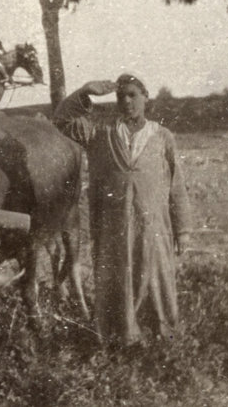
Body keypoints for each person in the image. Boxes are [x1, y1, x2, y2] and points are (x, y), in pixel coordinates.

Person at [53, 72, 192, 347]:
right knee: (118, 281)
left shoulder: (162, 136)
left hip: (155, 228)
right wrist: (83, 92)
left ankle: (162, 343)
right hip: (113, 229)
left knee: (156, 281)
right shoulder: (100, 133)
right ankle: (121, 343)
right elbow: (61, 121)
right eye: (121, 96)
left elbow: (177, 184)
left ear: (146, 98)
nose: (127, 101)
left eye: (132, 95)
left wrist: (183, 229)